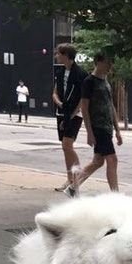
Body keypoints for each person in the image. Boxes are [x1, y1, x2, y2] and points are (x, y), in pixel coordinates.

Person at [69, 52, 123, 196]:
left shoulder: (106, 82)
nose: (109, 66)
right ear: (98, 62)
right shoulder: (89, 82)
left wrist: (117, 130)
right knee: (112, 159)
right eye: (107, 62)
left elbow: (111, 106)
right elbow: (85, 108)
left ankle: (73, 187)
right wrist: (89, 132)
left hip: (107, 127)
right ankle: (115, 195)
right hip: (97, 127)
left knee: (98, 161)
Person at [52, 43, 86, 193]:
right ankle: (70, 178)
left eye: (59, 54)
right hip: (62, 112)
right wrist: (59, 103)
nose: (56, 56)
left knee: (67, 145)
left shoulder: (80, 74)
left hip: (74, 113)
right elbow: (54, 92)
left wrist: (72, 114)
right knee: (65, 147)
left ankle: (77, 178)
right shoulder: (59, 72)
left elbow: (82, 98)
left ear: (66, 55)